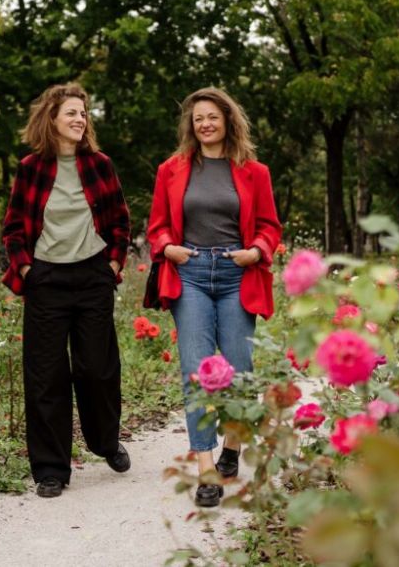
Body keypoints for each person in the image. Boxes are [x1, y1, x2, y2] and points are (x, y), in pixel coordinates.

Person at [147, 87, 281, 508]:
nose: (204, 124)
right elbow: (156, 227)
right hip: (189, 274)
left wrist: (256, 251)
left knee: (240, 372)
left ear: (227, 121)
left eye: (212, 117)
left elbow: (269, 226)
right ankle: (206, 469)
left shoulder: (254, 172)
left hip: (236, 273)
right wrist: (168, 247)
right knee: (196, 371)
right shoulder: (171, 169)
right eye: (197, 118)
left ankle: (232, 448)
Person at [2, 82, 132, 498]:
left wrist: (112, 263)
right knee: (46, 377)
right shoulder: (31, 168)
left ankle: (105, 442)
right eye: (71, 113)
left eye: (84, 113)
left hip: (93, 276)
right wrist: (27, 269)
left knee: (97, 368)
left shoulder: (100, 165)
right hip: (47, 281)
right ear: (52, 120)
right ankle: (51, 469)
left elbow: (120, 222)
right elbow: (14, 227)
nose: (80, 119)